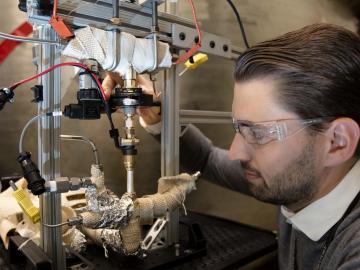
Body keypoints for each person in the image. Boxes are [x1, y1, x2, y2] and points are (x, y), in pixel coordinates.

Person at [103, 23, 360, 270]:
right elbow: (206, 160)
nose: (236, 152)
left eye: (257, 132)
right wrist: (158, 115)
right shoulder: (303, 183)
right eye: (240, 127)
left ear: (338, 142)